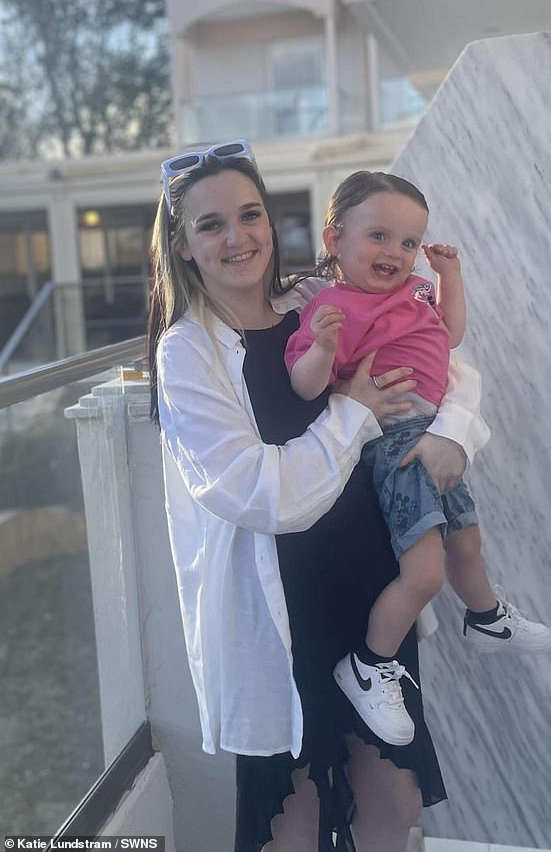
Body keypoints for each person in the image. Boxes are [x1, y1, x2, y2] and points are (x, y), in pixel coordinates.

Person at [146, 141, 489, 852]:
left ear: (274, 223)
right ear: (181, 243)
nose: (237, 237)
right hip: (283, 620)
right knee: (294, 820)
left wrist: (453, 432)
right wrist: (354, 410)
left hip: (369, 598)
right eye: (211, 225)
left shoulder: (312, 298)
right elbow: (261, 492)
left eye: (250, 214)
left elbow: (444, 360)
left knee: (392, 805)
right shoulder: (188, 352)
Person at [285, 170, 551, 747]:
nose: (396, 252)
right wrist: (326, 348)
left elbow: (450, 337)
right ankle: (368, 664)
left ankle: (485, 619)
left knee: (467, 542)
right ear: (334, 240)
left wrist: (448, 275)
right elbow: (306, 385)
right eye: (379, 236)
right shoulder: (333, 307)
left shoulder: (413, 295)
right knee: (426, 572)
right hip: (393, 445)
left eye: (408, 242)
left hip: (430, 434)